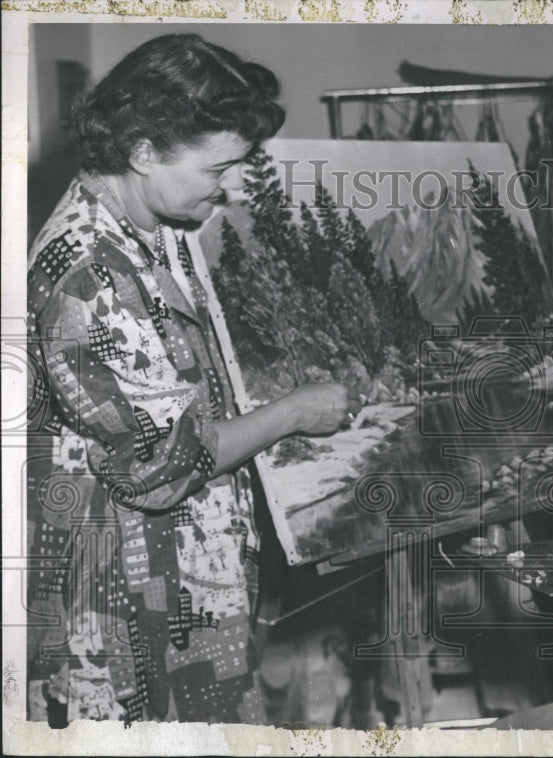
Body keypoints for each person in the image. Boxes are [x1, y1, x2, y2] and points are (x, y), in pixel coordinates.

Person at [26, 34, 358, 724]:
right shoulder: (88, 276)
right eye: (222, 167)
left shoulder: (153, 225)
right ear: (143, 150)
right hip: (128, 600)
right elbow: (159, 465)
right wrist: (292, 413)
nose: (235, 186)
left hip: (186, 578)